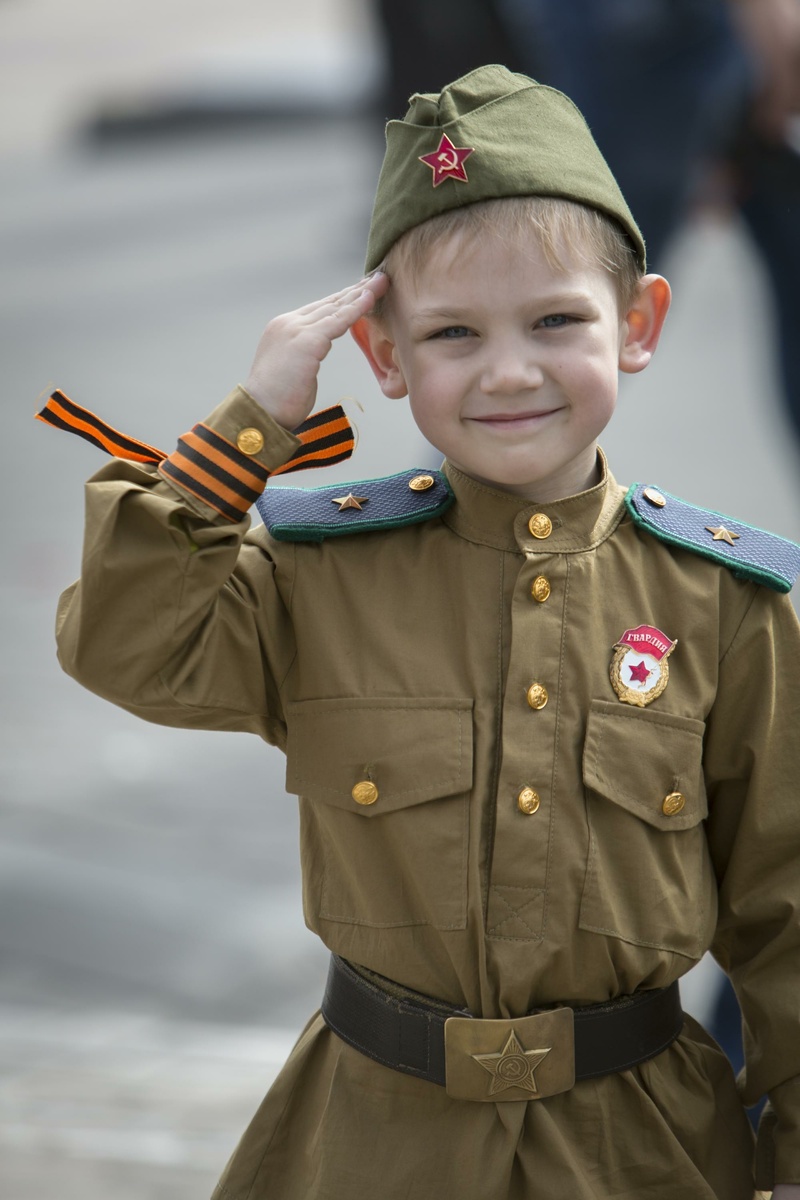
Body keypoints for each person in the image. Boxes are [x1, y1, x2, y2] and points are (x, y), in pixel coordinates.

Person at [46, 66, 800, 1198]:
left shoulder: (722, 606)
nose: (507, 370)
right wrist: (247, 432)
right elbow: (125, 645)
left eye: (555, 320)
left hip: (642, 1151)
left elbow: (784, 910)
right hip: (364, 1143)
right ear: (386, 358)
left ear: (636, 322)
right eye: (450, 333)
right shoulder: (322, 579)